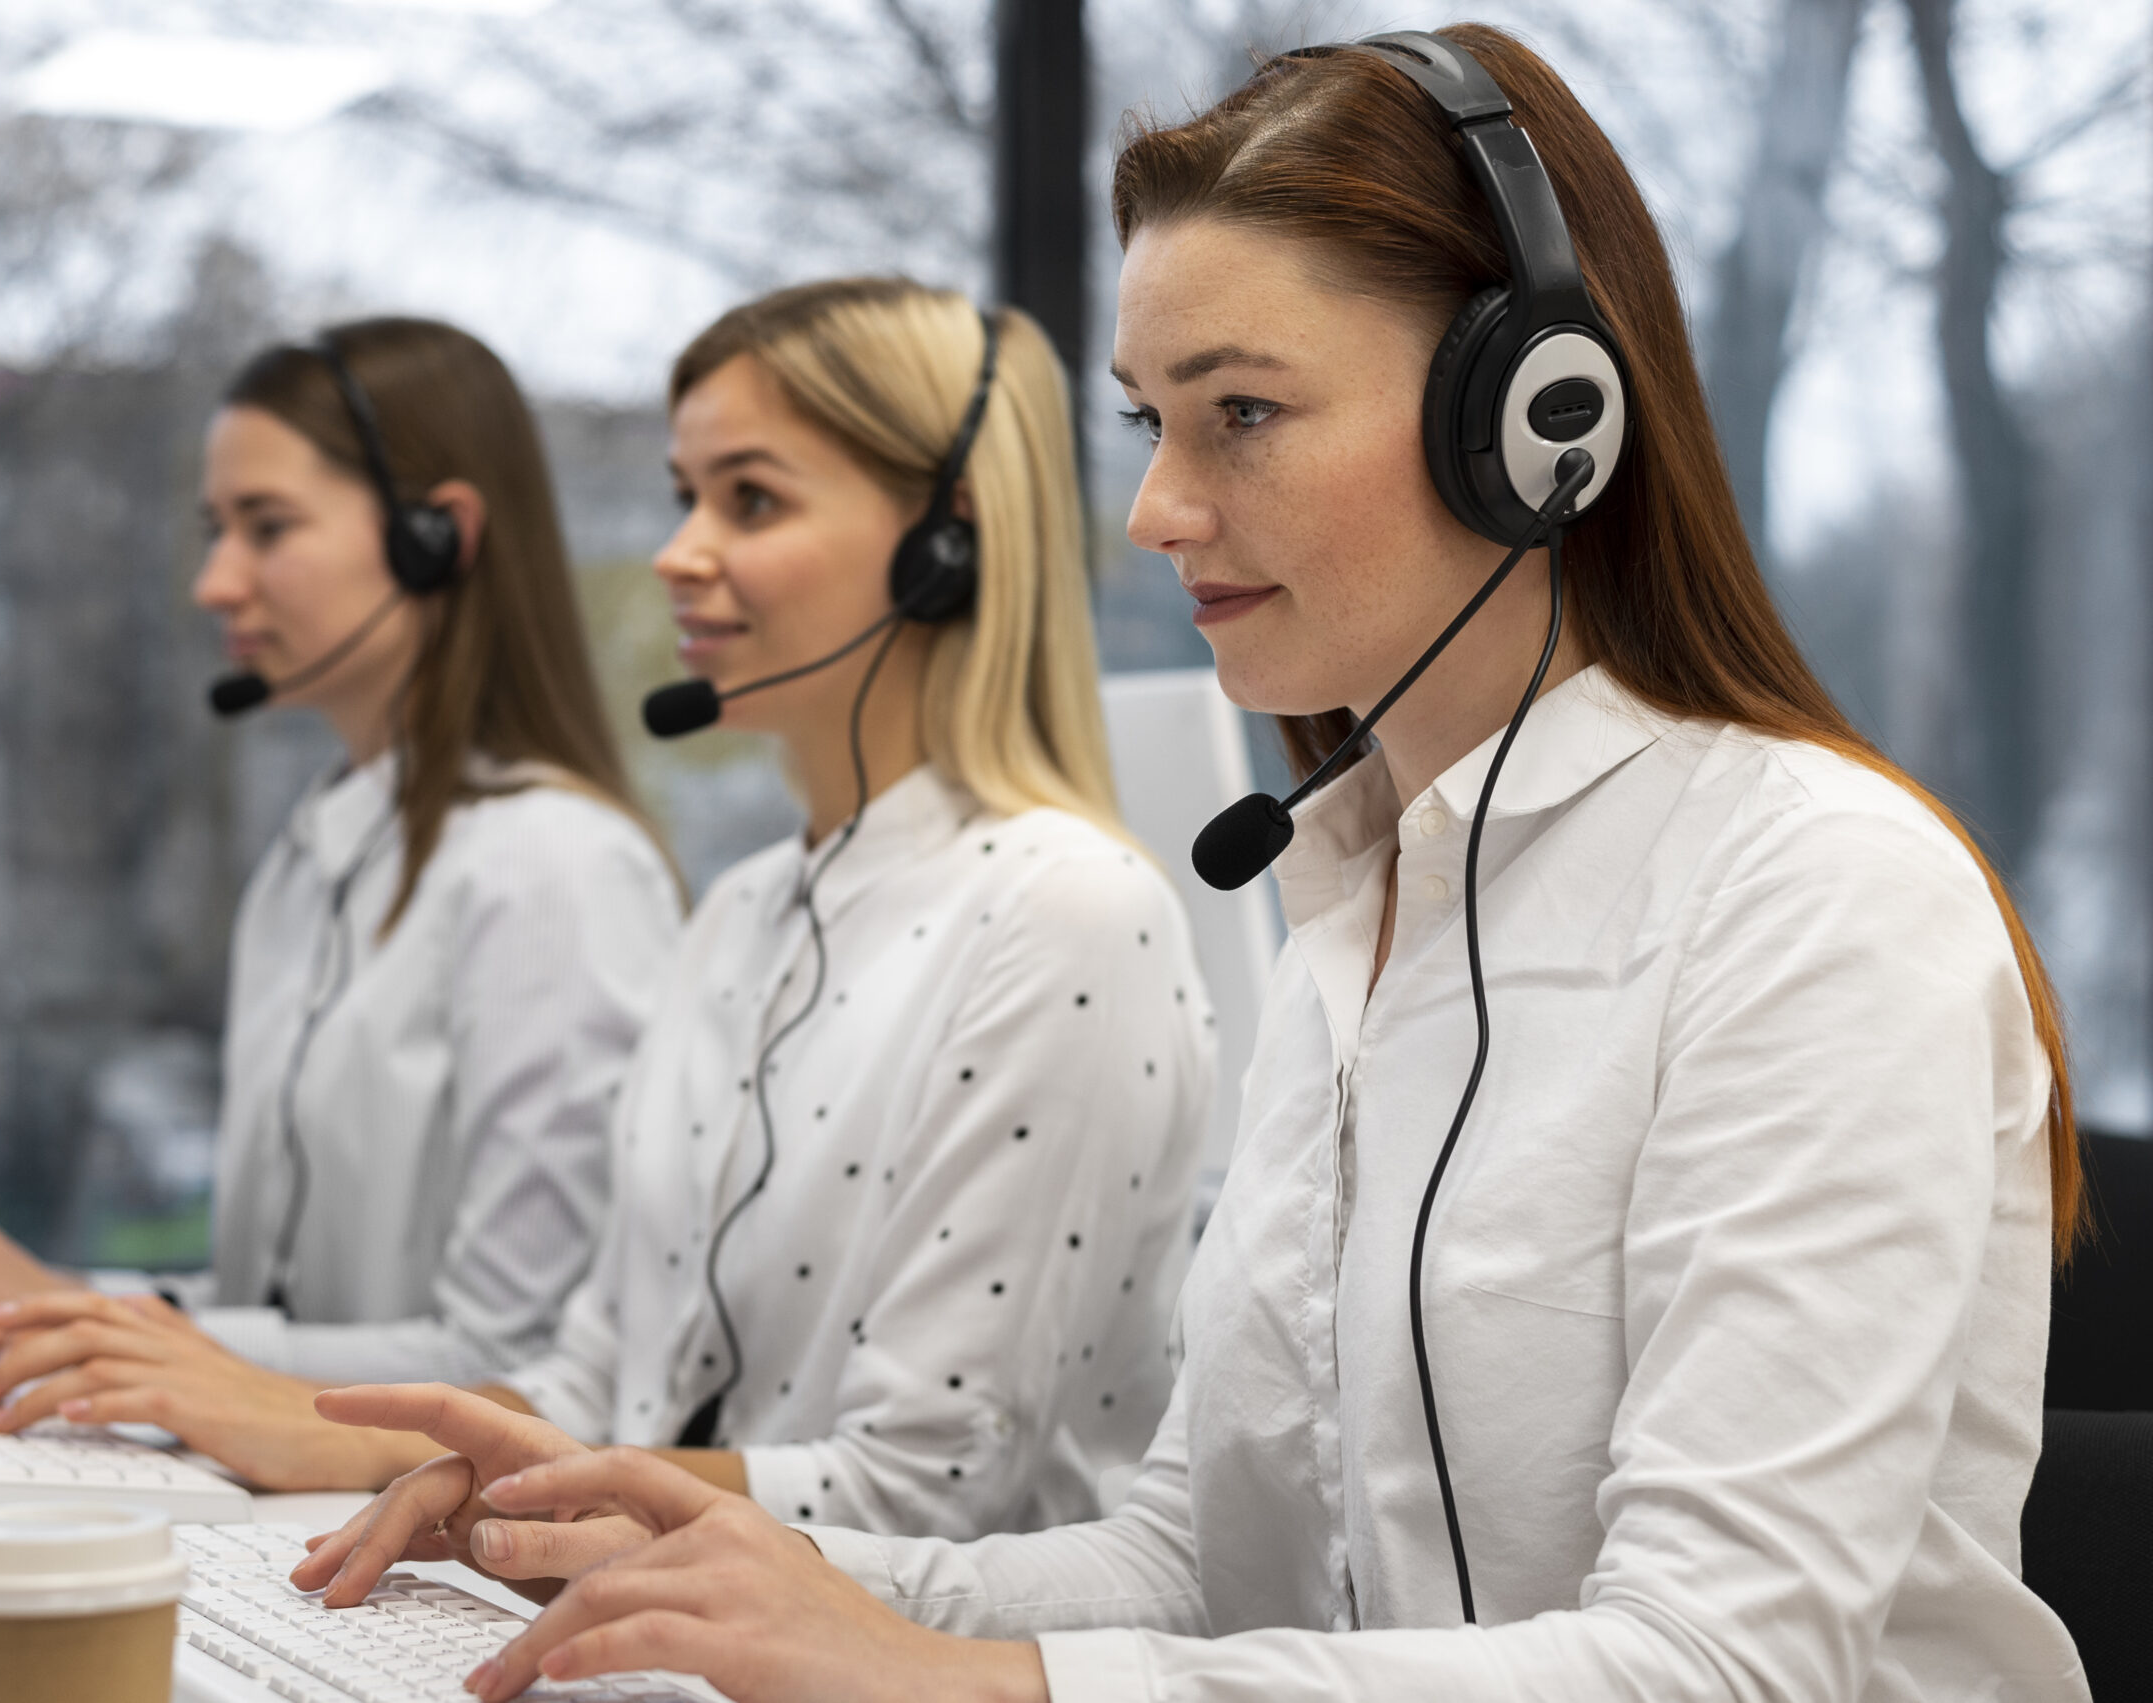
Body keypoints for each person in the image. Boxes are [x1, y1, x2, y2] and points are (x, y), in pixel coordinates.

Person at [290, 28, 2089, 1702]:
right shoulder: (1360, 903)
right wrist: (725, 1564)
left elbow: (1721, 1660)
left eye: (1241, 412)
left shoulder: (1817, 894)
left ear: (1537, 421)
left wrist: (967, 1682)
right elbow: (1196, 1564)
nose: (1153, 508)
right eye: (1153, 419)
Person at [0, 277, 1216, 1522]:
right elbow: (592, 1382)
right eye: (684, 497)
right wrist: (368, 1453)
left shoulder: (1065, 912)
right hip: (658, 1616)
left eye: (751, 498)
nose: (675, 552)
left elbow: (923, 1490)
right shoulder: (742, 912)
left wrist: (316, 1426)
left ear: (946, 546)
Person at [0, 318, 682, 1484]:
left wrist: (76, 1312)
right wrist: (75, 1313)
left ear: (439, 538)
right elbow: (288, 1307)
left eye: (266, 527)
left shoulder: (556, 869)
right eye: (215, 530)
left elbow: (514, 1362)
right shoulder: (309, 859)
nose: (214, 580)